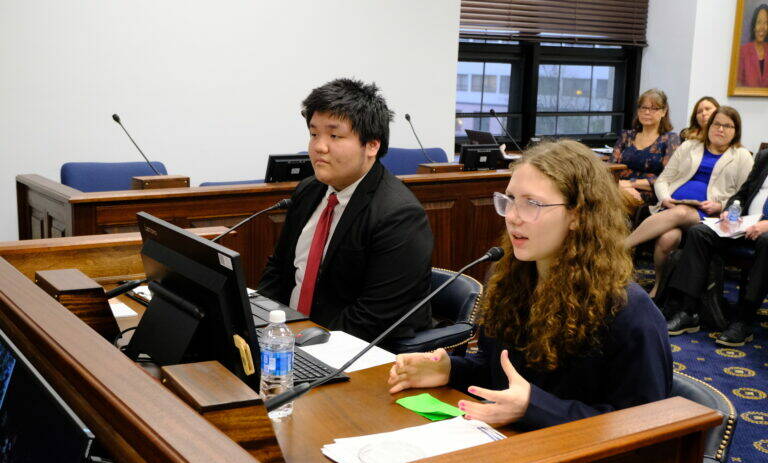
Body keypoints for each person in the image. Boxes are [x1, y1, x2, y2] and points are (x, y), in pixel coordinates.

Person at [388, 140, 671, 430]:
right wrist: (450, 370)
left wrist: (534, 407)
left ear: (577, 215)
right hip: (510, 441)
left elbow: (645, 428)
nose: (512, 216)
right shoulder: (510, 279)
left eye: (531, 204)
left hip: (576, 456)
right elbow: (500, 374)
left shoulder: (628, 310)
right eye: (510, 199)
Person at [257, 78, 433, 344]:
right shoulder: (309, 190)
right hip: (288, 338)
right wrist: (261, 323)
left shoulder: (399, 216)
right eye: (314, 134)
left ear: (372, 145)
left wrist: (302, 344)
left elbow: (372, 319)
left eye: (334, 136)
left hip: (355, 349)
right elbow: (278, 269)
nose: (319, 146)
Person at [625, 106, 753, 297]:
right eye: (716, 124)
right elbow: (663, 180)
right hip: (672, 207)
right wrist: (665, 198)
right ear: (709, 126)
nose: (720, 129)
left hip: (709, 215)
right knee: (668, 238)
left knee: (682, 212)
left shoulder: (741, 156)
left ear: (736, 131)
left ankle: (621, 247)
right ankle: (659, 287)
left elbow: (745, 195)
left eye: (728, 126)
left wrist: (720, 205)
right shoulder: (690, 146)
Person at [666, 148, 768, 346]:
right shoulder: (765, 156)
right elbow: (743, 193)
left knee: (767, 241)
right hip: (745, 224)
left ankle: (744, 320)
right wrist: (730, 211)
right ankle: (688, 311)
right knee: (699, 232)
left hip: (765, 233)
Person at [611, 89, 681, 206]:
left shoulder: (671, 139)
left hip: (648, 193)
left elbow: (668, 178)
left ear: (664, 112)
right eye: (643, 108)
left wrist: (630, 184)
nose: (647, 112)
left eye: (654, 109)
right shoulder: (626, 136)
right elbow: (610, 168)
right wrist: (618, 186)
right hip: (618, 187)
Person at [738, 4, 768, 87]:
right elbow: (738, 84)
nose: (762, 27)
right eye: (759, 22)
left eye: (766, 23)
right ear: (754, 26)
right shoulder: (743, 52)